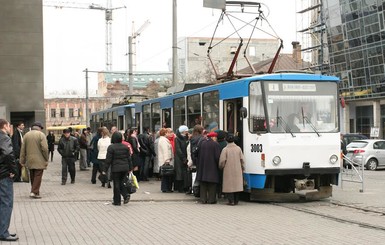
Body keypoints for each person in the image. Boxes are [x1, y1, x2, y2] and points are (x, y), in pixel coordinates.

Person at [0, 119, 19, 242]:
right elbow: (7, 153)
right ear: (5, 126)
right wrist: (14, 171)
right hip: (4, 175)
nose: (9, 128)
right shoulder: (4, 137)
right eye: (9, 126)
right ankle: (3, 232)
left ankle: (2, 230)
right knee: (6, 204)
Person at [19, 121, 49, 199]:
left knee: (33, 176)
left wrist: (22, 161)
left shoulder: (26, 135)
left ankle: (35, 191)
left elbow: (23, 149)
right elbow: (45, 148)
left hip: (29, 160)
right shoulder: (41, 135)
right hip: (40, 160)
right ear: (39, 128)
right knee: (38, 176)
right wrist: (46, 158)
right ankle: (34, 192)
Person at [102, 132, 132, 206]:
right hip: (125, 168)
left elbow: (108, 160)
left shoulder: (111, 147)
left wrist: (104, 170)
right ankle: (125, 195)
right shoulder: (125, 147)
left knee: (116, 184)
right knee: (122, 182)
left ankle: (117, 201)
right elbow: (129, 159)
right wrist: (130, 168)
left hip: (116, 168)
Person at [219, 133, 245, 206]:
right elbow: (242, 159)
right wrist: (242, 167)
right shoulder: (238, 148)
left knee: (229, 186)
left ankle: (231, 201)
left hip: (228, 170)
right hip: (238, 169)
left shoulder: (225, 149)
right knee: (237, 185)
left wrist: (221, 167)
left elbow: (222, 161)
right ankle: (236, 200)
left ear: (226, 140)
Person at [196, 131, 220, 204]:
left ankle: (203, 199)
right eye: (215, 137)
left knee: (203, 184)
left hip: (202, 167)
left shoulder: (202, 143)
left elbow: (197, 154)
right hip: (212, 167)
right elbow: (217, 157)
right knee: (212, 184)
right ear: (213, 137)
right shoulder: (215, 144)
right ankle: (211, 199)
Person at [157, 128, 174, 192]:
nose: (169, 134)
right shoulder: (164, 141)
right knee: (166, 175)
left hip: (163, 160)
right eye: (167, 132)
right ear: (165, 133)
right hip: (165, 160)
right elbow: (165, 151)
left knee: (165, 175)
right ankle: (166, 188)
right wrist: (167, 160)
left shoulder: (162, 140)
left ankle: (165, 188)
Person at [174, 125, 189, 193]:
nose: (187, 132)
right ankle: (180, 187)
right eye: (186, 131)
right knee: (180, 173)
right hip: (180, 158)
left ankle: (184, 186)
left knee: (184, 173)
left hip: (184, 157)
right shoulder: (177, 139)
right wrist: (183, 158)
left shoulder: (185, 138)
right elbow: (178, 149)